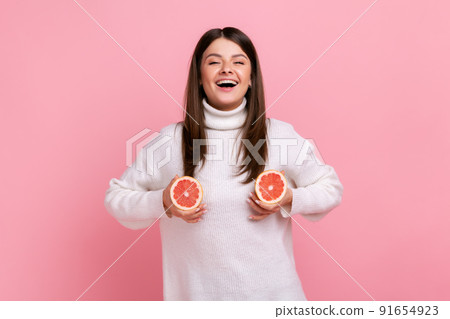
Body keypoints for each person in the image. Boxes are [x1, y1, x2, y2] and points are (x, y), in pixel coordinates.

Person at [104, 27, 344, 301]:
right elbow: (116, 197)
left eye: (238, 62)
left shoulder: (278, 135)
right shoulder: (169, 140)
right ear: (199, 77)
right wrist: (163, 202)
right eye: (214, 62)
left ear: (251, 78)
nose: (226, 69)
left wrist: (290, 198)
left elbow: (331, 189)